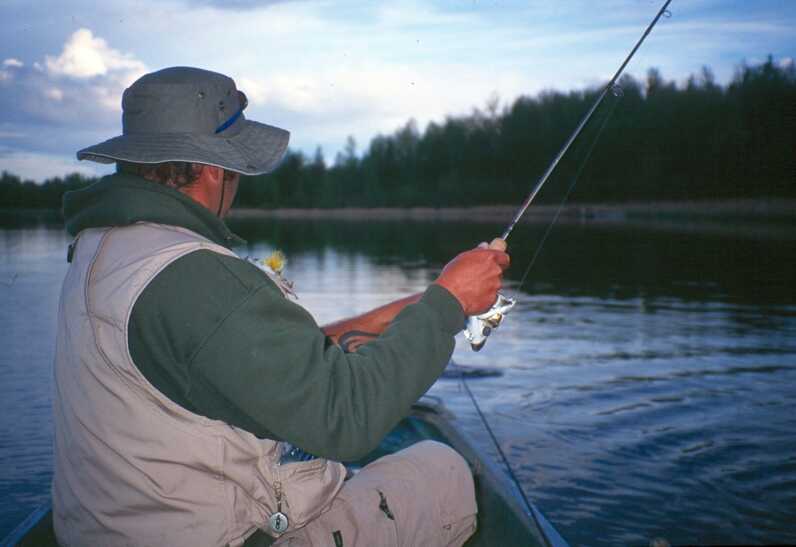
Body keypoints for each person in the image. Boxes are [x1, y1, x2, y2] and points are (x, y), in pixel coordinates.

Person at [53, 66, 510, 547]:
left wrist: (426, 302)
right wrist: (449, 304)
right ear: (213, 170)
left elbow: (229, 351)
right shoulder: (197, 276)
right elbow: (346, 419)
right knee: (444, 470)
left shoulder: (104, 247)